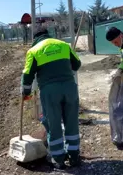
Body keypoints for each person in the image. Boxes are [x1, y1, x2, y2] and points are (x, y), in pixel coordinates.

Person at [21, 26, 82, 169]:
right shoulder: (63, 45)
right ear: (48, 35)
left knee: (53, 124)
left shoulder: (33, 51)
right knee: (72, 122)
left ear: (35, 38)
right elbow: (77, 64)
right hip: (69, 87)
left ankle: (58, 159)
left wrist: (26, 92)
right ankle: (74, 157)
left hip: (50, 91)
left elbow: (28, 74)